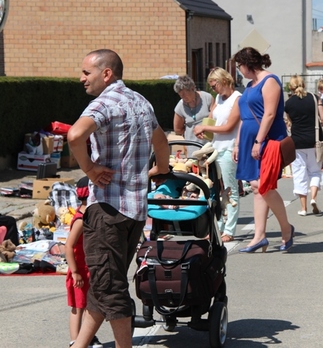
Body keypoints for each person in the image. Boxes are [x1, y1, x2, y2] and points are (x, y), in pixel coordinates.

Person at [67, 49, 170, 348]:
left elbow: (74, 136)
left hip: (107, 210)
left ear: (106, 73)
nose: (81, 78)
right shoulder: (141, 101)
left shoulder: (104, 103)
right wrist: (160, 170)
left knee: (110, 288)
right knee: (104, 285)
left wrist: (89, 168)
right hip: (134, 212)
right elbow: (161, 142)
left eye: (87, 72)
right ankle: (80, 344)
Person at [232, 47, 294, 253]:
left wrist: (258, 141)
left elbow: (269, 115)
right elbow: (245, 118)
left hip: (268, 139)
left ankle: (286, 229)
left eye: (239, 66)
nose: (239, 70)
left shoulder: (270, 81)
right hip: (251, 139)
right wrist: (238, 144)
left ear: (247, 64)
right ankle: (260, 236)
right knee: (257, 187)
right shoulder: (250, 85)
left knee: (263, 186)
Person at [193, 67, 241, 243]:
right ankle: (216, 228)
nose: (213, 89)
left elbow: (229, 126)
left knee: (229, 190)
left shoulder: (237, 99)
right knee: (214, 191)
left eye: (214, 85)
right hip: (215, 148)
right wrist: (203, 130)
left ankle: (229, 229)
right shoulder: (219, 99)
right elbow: (211, 119)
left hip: (228, 148)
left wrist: (206, 127)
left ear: (223, 81)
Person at [284, 75, 323, 216]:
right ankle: (313, 198)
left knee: (299, 174)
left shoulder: (288, 103)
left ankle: (303, 208)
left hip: (297, 142)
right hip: (314, 140)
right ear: (303, 84)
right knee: (315, 171)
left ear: (290, 87)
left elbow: (289, 122)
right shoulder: (314, 98)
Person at [66, 177, 102, 348]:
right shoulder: (80, 219)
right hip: (79, 270)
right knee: (77, 307)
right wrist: (74, 272)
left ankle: (87, 337)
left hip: (89, 269)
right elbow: (69, 246)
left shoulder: (89, 216)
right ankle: (75, 341)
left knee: (90, 305)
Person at [173, 75, 215, 144]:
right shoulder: (180, 107)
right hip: (192, 146)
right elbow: (177, 130)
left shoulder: (207, 98)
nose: (182, 97)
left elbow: (215, 118)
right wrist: (190, 133)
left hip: (210, 144)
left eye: (184, 94)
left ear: (192, 88)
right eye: (180, 95)